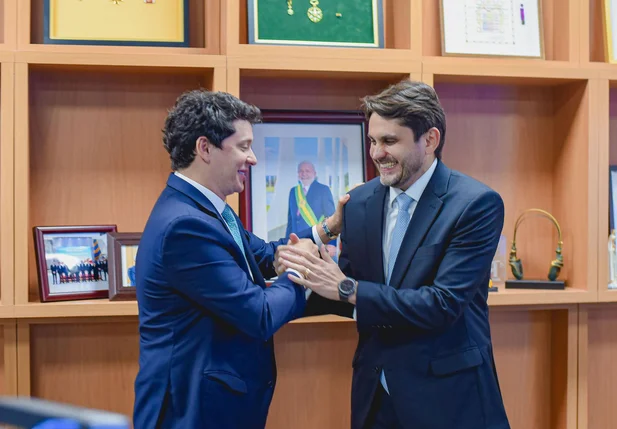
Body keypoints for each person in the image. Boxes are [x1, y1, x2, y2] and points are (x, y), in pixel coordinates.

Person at [278, 80, 511, 429]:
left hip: (449, 401)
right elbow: (348, 289)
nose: (376, 153)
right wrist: (298, 280)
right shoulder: (357, 203)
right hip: (376, 399)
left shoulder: (475, 205)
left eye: (389, 141)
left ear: (429, 140)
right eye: (372, 141)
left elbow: (442, 304)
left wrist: (346, 287)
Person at [132, 89, 324, 429]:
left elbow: (265, 255)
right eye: (244, 147)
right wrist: (299, 268)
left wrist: (327, 229)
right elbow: (259, 313)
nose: (253, 159)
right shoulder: (185, 226)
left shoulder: (209, 209)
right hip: (191, 412)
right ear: (204, 148)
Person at [285, 160, 337, 257]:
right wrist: (286, 242)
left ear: (314, 173)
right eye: (301, 171)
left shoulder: (323, 190)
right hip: (297, 242)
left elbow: (331, 218)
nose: (304, 174)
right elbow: (291, 221)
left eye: (307, 171)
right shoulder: (293, 192)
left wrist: (331, 244)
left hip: (317, 241)